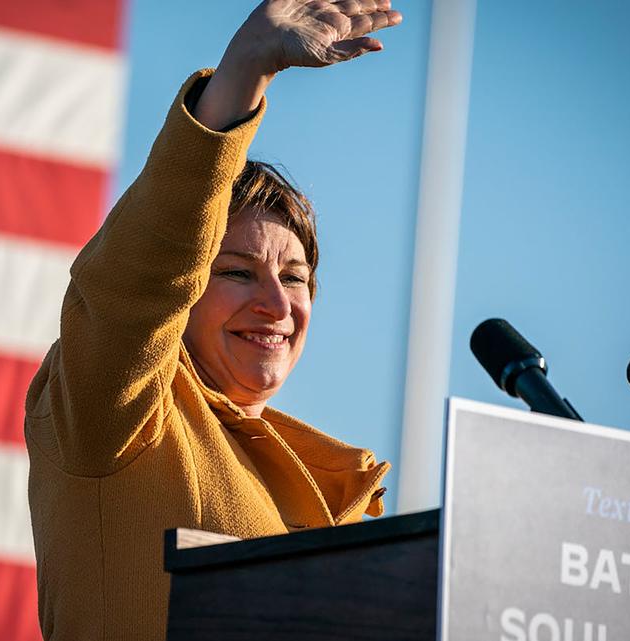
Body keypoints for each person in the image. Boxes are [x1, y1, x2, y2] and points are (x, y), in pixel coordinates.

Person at [24, 2, 404, 639]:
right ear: (183, 292)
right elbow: (137, 284)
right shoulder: (115, 414)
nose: (276, 306)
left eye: (294, 278)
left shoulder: (331, 493)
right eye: (235, 272)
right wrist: (245, 69)